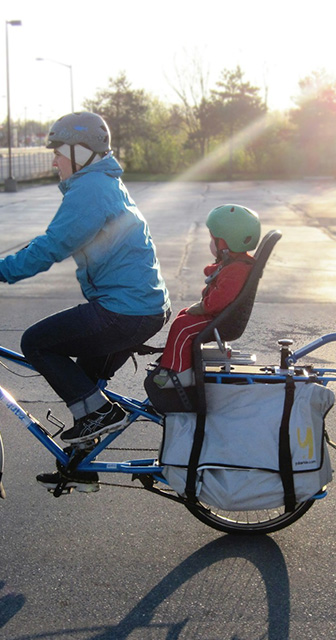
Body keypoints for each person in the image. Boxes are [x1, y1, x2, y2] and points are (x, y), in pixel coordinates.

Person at [0, 111, 170, 489]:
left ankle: (101, 416)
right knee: (86, 388)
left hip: (124, 311)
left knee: (36, 343)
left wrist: (2, 270)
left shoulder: (90, 189)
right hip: (140, 307)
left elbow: (51, 247)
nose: (54, 162)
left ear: (81, 152)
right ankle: (81, 467)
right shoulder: (103, 181)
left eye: (58, 153)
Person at [153, 203, 260, 389]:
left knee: (182, 327)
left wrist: (203, 307)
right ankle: (178, 360)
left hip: (221, 320)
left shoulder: (236, 269)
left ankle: (179, 373)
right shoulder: (238, 263)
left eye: (214, 240)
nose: (211, 244)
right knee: (184, 315)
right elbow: (222, 274)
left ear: (226, 243)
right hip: (221, 316)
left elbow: (221, 298)